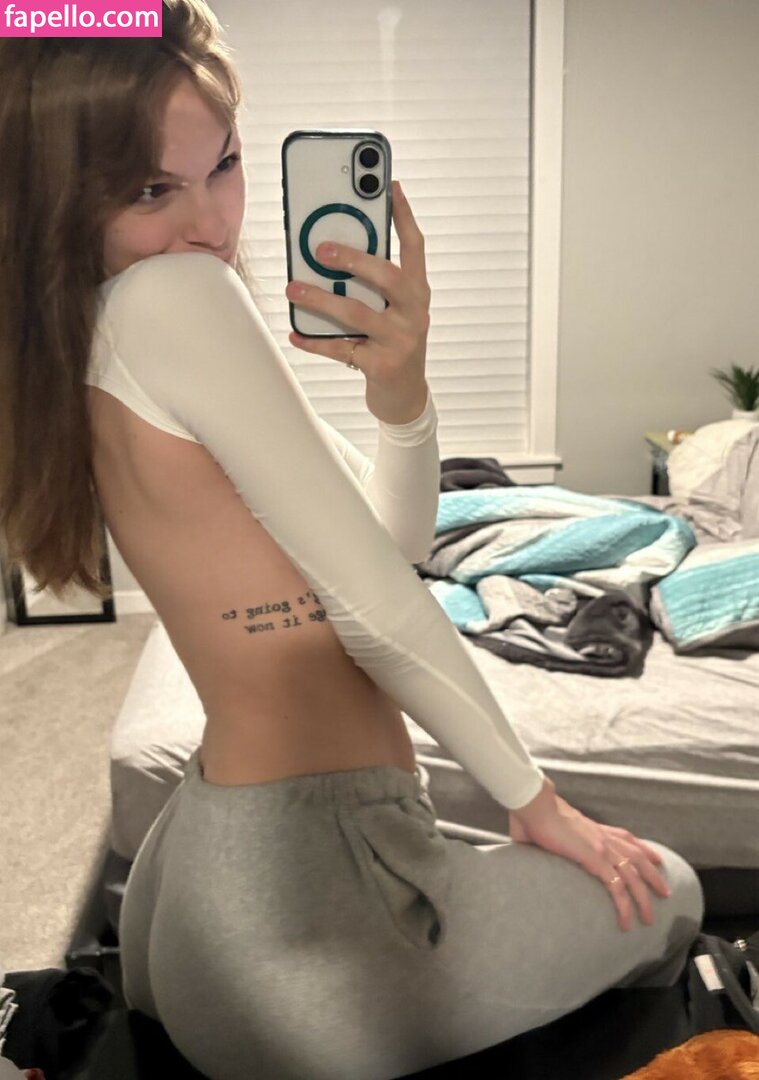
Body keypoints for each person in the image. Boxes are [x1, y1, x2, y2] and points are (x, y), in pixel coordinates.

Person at [0, 4, 704, 1078]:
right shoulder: (176, 297)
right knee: (669, 894)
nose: (211, 223)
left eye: (224, 165)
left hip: (215, 879)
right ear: (59, 199)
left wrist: (400, 391)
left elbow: (391, 538)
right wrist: (537, 803)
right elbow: (379, 600)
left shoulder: (91, 325)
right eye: (150, 189)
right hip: (303, 911)